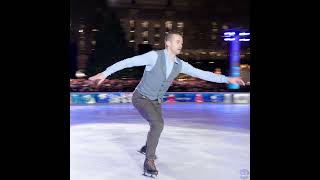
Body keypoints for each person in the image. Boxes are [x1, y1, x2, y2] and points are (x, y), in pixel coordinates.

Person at [89, 31, 245, 177]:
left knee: (157, 125)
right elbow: (128, 62)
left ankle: (146, 147)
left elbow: (202, 74)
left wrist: (227, 79)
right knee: (158, 124)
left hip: (156, 101)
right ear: (168, 43)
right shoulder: (154, 57)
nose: (181, 45)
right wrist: (105, 73)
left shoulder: (180, 64)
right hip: (141, 97)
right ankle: (149, 161)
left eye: (182, 42)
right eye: (178, 41)